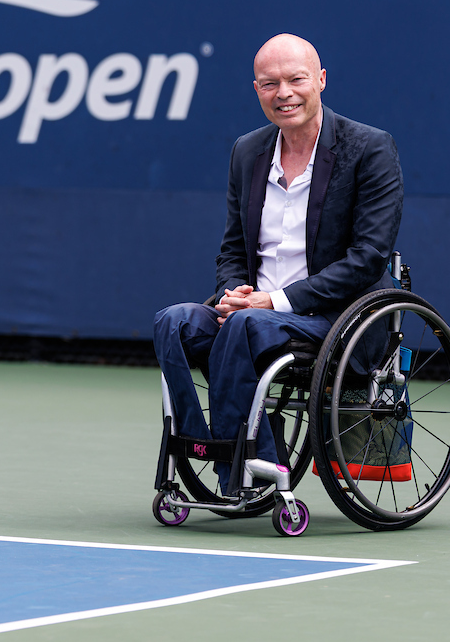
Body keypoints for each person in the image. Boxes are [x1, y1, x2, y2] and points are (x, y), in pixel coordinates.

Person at [153, 33, 403, 491]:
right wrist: (235, 292)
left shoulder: (369, 148)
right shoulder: (247, 151)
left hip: (337, 320)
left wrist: (273, 302)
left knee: (247, 328)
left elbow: (367, 260)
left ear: (321, 80)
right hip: (255, 315)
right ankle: (201, 443)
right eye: (270, 83)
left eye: (296, 79)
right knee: (173, 322)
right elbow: (233, 248)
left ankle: (245, 467)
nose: (283, 93)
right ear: (257, 90)